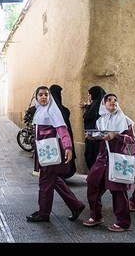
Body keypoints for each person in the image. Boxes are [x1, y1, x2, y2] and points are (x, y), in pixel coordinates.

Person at [27, 86, 85, 223]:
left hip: (50, 154)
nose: (43, 97)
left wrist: (68, 148)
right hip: (44, 153)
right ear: (36, 97)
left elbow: (62, 131)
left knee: (45, 183)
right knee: (55, 181)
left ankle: (43, 213)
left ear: (50, 96)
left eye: (46, 94)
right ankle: (76, 205)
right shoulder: (39, 111)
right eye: (40, 94)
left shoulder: (53, 111)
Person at [83, 93, 135, 232]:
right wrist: (93, 137)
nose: (112, 102)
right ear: (103, 104)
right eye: (109, 100)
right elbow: (102, 138)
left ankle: (124, 222)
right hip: (102, 159)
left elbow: (132, 140)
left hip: (117, 159)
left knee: (118, 191)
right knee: (92, 185)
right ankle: (96, 216)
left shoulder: (125, 120)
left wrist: (116, 135)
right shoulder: (100, 121)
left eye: (115, 100)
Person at [49, 84, 76, 180]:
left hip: (65, 137)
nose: (61, 95)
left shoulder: (58, 107)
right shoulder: (54, 110)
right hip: (59, 138)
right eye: (59, 93)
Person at [79, 86, 106, 170]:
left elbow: (89, 117)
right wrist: (87, 105)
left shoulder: (99, 107)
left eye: (89, 95)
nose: (89, 97)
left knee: (93, 158)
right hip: (91, 138)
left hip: (96, 139)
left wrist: (88, 106)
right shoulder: (95, 105)